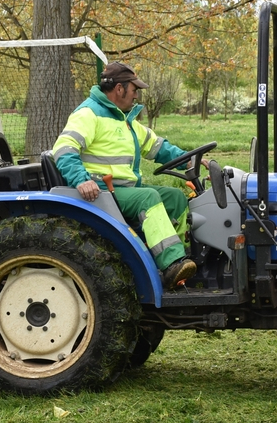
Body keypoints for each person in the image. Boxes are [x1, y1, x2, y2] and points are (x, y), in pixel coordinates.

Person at [52, 61, 198, 291]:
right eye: (134, 89)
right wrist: (81, 180)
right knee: (147, 197)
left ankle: (182, 262)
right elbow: (63, 149)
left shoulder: (124, 120)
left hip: (123, 189)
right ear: (119, 89)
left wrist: (190, 159)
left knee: (175, 198)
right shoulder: (88, 114)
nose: (136, 95)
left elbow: (157, 147)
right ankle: (171, 264)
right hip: (100, 192)